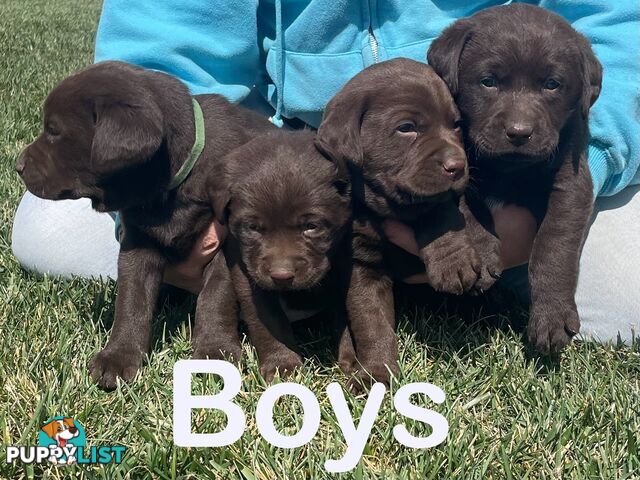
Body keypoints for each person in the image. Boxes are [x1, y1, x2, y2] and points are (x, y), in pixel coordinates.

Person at [12, 1, 640, 343]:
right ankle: (307, 280)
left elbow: (616, 34)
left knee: (630, 291)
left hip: (502, 168)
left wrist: (539, 215)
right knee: (50, 231)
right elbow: (157, 74)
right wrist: (195, 208)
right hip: (300, 165)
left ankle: (443, 279)